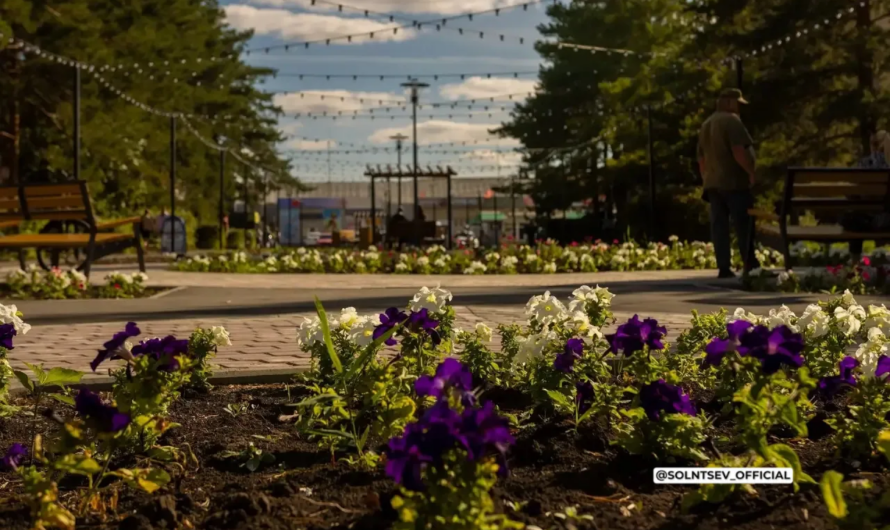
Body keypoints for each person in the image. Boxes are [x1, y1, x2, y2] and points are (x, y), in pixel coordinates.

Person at [697, 88, 760, 279]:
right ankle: (750, 265)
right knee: (744, 224)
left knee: (719, 226)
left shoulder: (706, 124)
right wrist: (751, 172)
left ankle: (723, 266)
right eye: (738, 103)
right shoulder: (731, 121)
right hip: (733, 182)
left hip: (712, 183)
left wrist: (706, 177)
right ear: (729, 102)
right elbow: (738, 150)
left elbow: (701, 158)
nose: (739, 108)